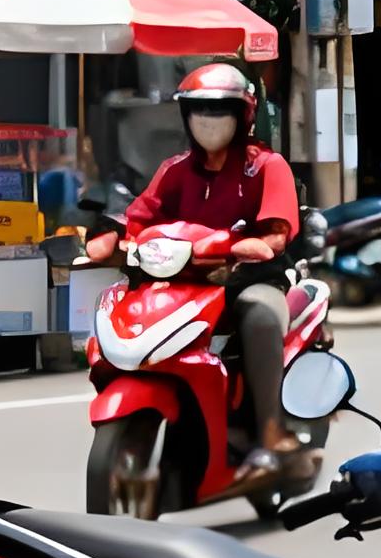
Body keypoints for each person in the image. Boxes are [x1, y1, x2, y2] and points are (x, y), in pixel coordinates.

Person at [92, 63, 302, 473]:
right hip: (180, 282)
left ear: (244, 116)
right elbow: (139, 217)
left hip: (248, 277)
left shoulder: (266, 166)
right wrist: (111, 238)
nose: (209, 121)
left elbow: (278, 227)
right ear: (186, 117)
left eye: (220, 110)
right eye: (200, 110)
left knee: (258, 315)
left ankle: (271, 431)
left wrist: (261, 243)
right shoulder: (174, 169)